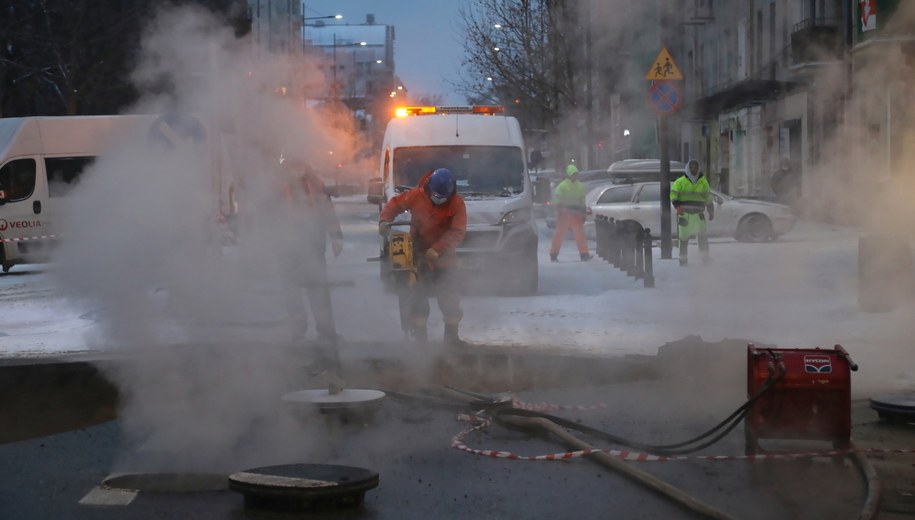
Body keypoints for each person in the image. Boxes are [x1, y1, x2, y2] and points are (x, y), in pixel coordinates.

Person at [378, 168, 468, 346]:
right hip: (418, 253)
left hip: (445, 258)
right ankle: (420, 341)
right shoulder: (416, 196)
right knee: (418, 298)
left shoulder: (457, 204)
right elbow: (395, 204)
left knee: (449, 298)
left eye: (442, 198)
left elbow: (458, 232)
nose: (438, 200)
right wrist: (384, 220)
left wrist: (438, 249)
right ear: (428, 189)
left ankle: (452, 340)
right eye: (435, 196)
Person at [276, 159, 344, 347]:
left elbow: (327, 212)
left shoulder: (315, 184)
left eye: (299, 165)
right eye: (293, 165)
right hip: (287, 247)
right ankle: (297, 331)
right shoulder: (277, 186)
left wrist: (336, 236)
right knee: (292, 290)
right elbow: (268, 215)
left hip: (313, 245)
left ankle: (326, 331)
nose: (297, 169)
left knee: (319, 288)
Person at [671, 159, 714, 266]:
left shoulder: (703, 182)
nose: (693, 169)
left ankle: (705, 259)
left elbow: (708, 197)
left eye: (695, 167)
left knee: (702, 237)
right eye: (691, 167)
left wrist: (711, 210)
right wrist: (677, 206)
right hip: (684, 214)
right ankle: (683, 260)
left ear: (698, 168)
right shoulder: (680, 182)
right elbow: (673, 195)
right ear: (688, 168)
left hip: (698, 214)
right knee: (683, 238)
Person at [549, 162, 592, 262]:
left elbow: (582, 200)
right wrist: (559, 209)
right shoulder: (563, 186)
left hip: (575, 213)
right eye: (573, 174)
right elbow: (557, 199)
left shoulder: (580, 186)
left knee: (580, 234)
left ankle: (584, 254)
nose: (575, 176)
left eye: (576, 174)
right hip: (565, 214)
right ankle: (553, 254)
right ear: (569, 175)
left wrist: (583, 212)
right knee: (559, 235)